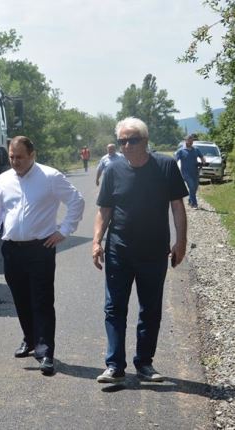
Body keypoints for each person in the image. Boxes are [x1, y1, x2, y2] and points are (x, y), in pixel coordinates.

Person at [0, 136, 85, 376]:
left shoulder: (50, 177)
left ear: (32, 155)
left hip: (41, 248)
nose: (15, 162)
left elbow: (77, 201)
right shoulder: (4, 180)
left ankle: (45, 351)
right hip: (12, 249)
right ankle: (29, 339)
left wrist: (64, 231)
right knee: (21, 298)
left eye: (20, 157)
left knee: (42, 300)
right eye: (11, 157)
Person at [92, 117, 188, 384]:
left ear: (145, 141)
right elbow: (105, 210)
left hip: (154, 252)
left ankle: (144, 363)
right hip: (118, 251)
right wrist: (96, 241)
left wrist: (180, 242)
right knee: (114, 308)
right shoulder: (113, 170)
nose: (127, 145)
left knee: (150, 309)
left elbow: (177, 207)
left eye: (132, 140)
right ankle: (114, 366)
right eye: (122, 141)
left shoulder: (165, 166)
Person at [174, 134, 206, 208]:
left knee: (195, 188)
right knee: (191, 187)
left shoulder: (196, 149)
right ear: (186, 141)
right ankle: (194, 204)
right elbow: (175, 160)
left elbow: (201, 156)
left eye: (192, 141)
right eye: (189, 141)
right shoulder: (181, 151)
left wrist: (203, 161)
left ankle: (190, 200)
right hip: (186, 173)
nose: (191, 142)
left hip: (195, 172)